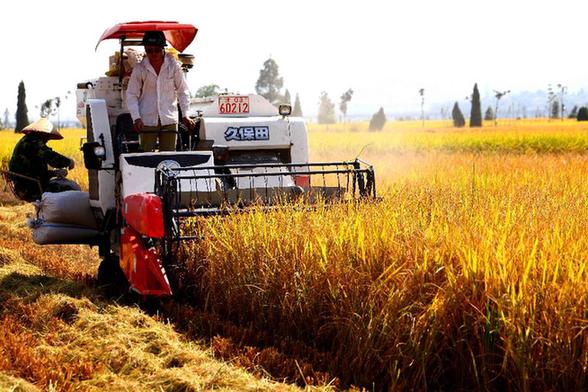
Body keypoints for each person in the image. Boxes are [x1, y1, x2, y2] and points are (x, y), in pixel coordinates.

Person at [126, 30, 195, 152]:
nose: (153, 53)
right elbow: (132, 94)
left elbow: (183, 91)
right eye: (149, 50)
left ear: (163, 49)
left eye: (156, 50)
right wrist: (136, 118)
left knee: (168, 157)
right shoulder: (139, 69)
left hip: (169, 118)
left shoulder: (174, 67)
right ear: (145, 50)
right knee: (145, 156)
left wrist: (186, 115)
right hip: (146, 119)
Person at [8, 118, 79, 202]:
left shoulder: (27, 140)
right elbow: (52, 158)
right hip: (29, 187)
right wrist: (69, 162)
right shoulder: (33, 142)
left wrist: (55, 173)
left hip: (26, 184)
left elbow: (35, 172)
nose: (48, 139)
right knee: (70, 189)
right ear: (43, 134)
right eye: (48, 136)